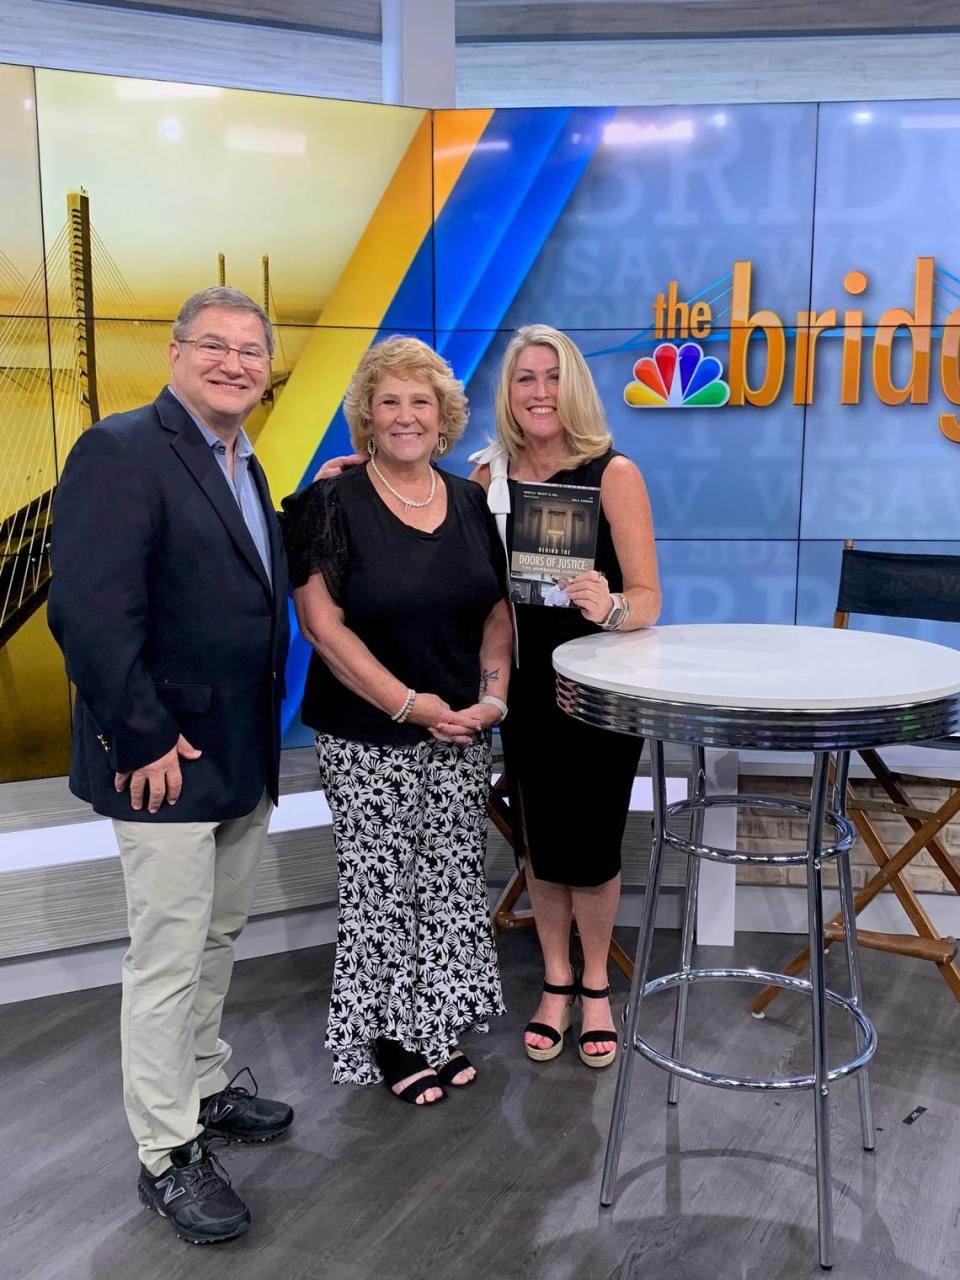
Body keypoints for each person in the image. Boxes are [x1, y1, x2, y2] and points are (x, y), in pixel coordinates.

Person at [48, 286, 293, 1245]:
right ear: (175, 353)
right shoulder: (119, 450)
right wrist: (141, 736)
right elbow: (91, 614)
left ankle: (198, 1087)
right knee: (165, 957)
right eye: (215, 346)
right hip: (164, 757)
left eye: (250, 351)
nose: (234, 363)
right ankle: (166, 1154)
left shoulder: (246, 461)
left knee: (217, 935)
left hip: (239, 752)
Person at [283, 336, 512, 1106]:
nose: (407, 415)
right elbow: (322, 626)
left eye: (422, 401)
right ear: (368, 418)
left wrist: (492, 698)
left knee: (448, 879)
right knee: (382, 886)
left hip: (461, 732)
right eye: (390, 402)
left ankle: (436, 1023)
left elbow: (494, 613)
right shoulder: (329, 504)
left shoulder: (474, 502)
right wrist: (410, 706)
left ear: (443, 415)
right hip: (368, 734)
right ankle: (388, 1035)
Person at [471, 324, 661, 1070]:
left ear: (573, 386)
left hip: (601, 690)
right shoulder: (487, 477)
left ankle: (593, 987)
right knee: (542, 843)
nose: (539, 392)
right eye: (525, 378)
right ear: (509, 393)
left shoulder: (614, 474)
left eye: (552, 377)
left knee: (593, 843)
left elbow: (649, 598)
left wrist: (609, 605)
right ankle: (553, 980)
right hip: (523, 687)